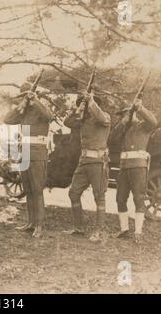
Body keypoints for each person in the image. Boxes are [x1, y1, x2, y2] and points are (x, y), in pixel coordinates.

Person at [3, 83, 53, 238]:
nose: (27, 97)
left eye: (29, 94)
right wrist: (22, 105)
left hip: (37, 152)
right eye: (25, 95)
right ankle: (31, 223)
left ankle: (39, 225)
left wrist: (35, 101)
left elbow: (49, 117)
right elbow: (7, 119)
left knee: (37, 189)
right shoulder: (24, 110)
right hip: (24, 152)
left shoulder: (40, 108)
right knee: (28, 189)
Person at [63, 91, 111, 242]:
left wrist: (91, 102)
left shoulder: (104, 116)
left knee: (99, 196)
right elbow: (67, 123)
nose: (85, 106)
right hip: (83, 161)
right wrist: (77, 110)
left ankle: (100, 231)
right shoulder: (82, 120)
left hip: (97, 161)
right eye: (83, 103)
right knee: (73, 193)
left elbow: (103, 119)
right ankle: (78, 227)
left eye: (87, 103)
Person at [110, 98, 157, 243]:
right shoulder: (122, 129)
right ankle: (124, 230)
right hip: (124, 168)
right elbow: (112, 139)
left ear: (134, 114)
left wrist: (140, 108)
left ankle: (138, 232)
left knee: (139, 199)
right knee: (120, 199)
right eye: (124, 114)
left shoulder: (143, 126)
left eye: (128, 114)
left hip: (138, 167)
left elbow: (153, 122)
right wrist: (123, 123)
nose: (126, 116)